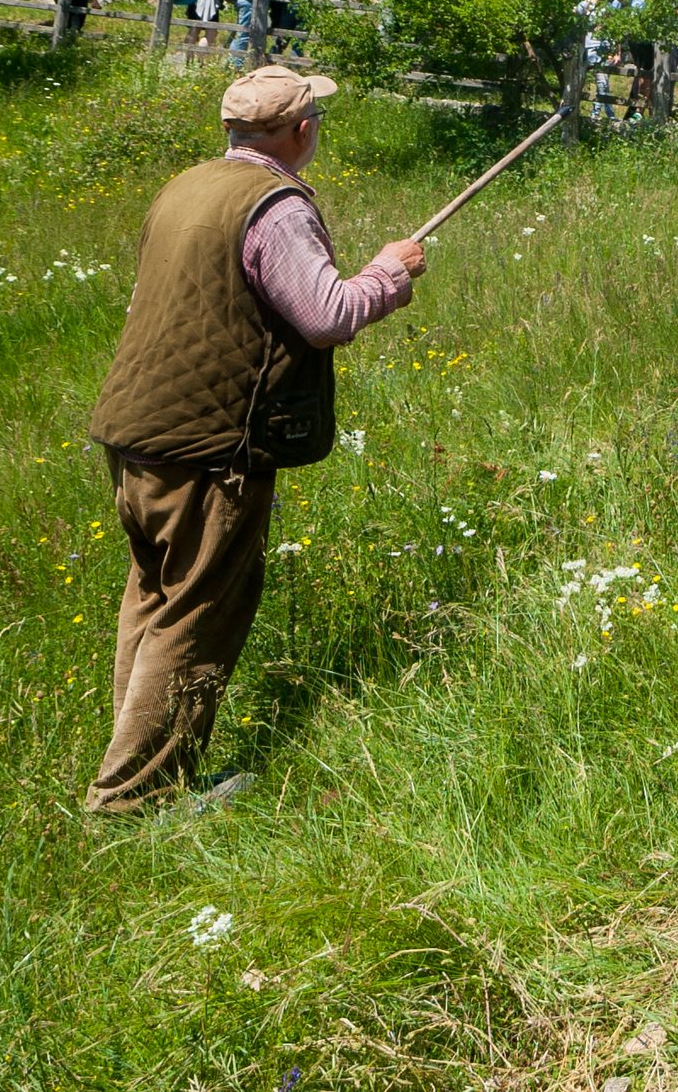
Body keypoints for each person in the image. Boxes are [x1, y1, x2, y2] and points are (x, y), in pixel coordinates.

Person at [81, 67, 426, 811]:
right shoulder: (276, 207)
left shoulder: (186, 187)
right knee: (197, 613)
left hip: (135, 428)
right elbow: (328, 315)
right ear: (301, 131)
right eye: (315, 120)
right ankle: (136, 798)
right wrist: (389, 273)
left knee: (155, 598)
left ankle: (137, 767)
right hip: (209, 445)